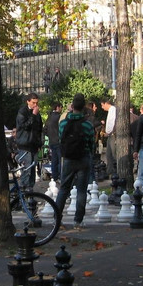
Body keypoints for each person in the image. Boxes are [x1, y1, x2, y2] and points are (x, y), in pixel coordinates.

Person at [53, 93, 96, 227]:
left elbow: (61, 139)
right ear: (83, 107)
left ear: (72, 106)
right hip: (83, 158)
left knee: (64, 188)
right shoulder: (88, 125)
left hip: (68, 159)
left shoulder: (63, 123)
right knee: (81, 190)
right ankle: (78, 220)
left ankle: (57, 218)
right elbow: (91, 143)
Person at [14, 93, 43, 192]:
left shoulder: (37, 113)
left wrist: (39, 143)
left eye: (37, 103)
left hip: (34, 145)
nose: (35, 105)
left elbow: (39, 129)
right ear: (28, 101)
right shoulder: (23, 112)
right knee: (26, 169)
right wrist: (34, 115)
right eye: (33, 102)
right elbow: (25, 126)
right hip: (25, 145)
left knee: (33, 168)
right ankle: (22, 190)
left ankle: (30, 190)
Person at [44, 100, 63, 182]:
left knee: (54, 160)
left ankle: (54, 177)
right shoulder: (59, 117)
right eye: (61, 107)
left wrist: (50, 135)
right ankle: (60, 176)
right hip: (59, 141)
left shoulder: (49, 118)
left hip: (51, 141)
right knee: (60, 160)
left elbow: (44, 130)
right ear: (58, 107)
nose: (61, 109)